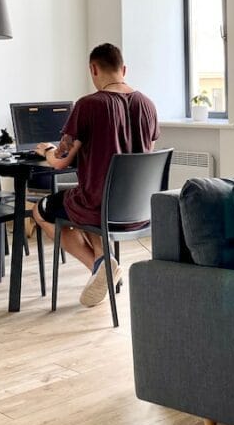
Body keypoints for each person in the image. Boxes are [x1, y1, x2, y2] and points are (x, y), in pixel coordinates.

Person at [32, 43, 159, 307]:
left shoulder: (89, 105)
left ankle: (101, 265)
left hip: (97, 206)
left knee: (42, 211)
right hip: (138, 210)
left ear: (93, 69)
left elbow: (60, 162)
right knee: (82, 202)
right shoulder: (148, 104)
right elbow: (146, 155)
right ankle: (105, 266)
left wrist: (46, 151)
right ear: (123, 70)